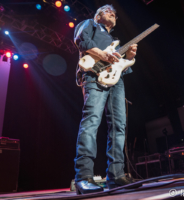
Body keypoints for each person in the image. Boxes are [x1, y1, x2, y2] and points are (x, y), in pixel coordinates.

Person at [73, 4, 141, 195]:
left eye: (114, 13)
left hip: (115, 82)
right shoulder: (89, 24)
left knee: (119, 125)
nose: (112, 13)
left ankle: (116, 175)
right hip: (93, 74)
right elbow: (80, 40)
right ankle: (84, 177)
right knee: (92, 121)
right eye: (106, 10)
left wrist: (128, 57)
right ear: (97, 16)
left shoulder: (114, 41)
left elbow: (121, 67)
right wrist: (102, 54)